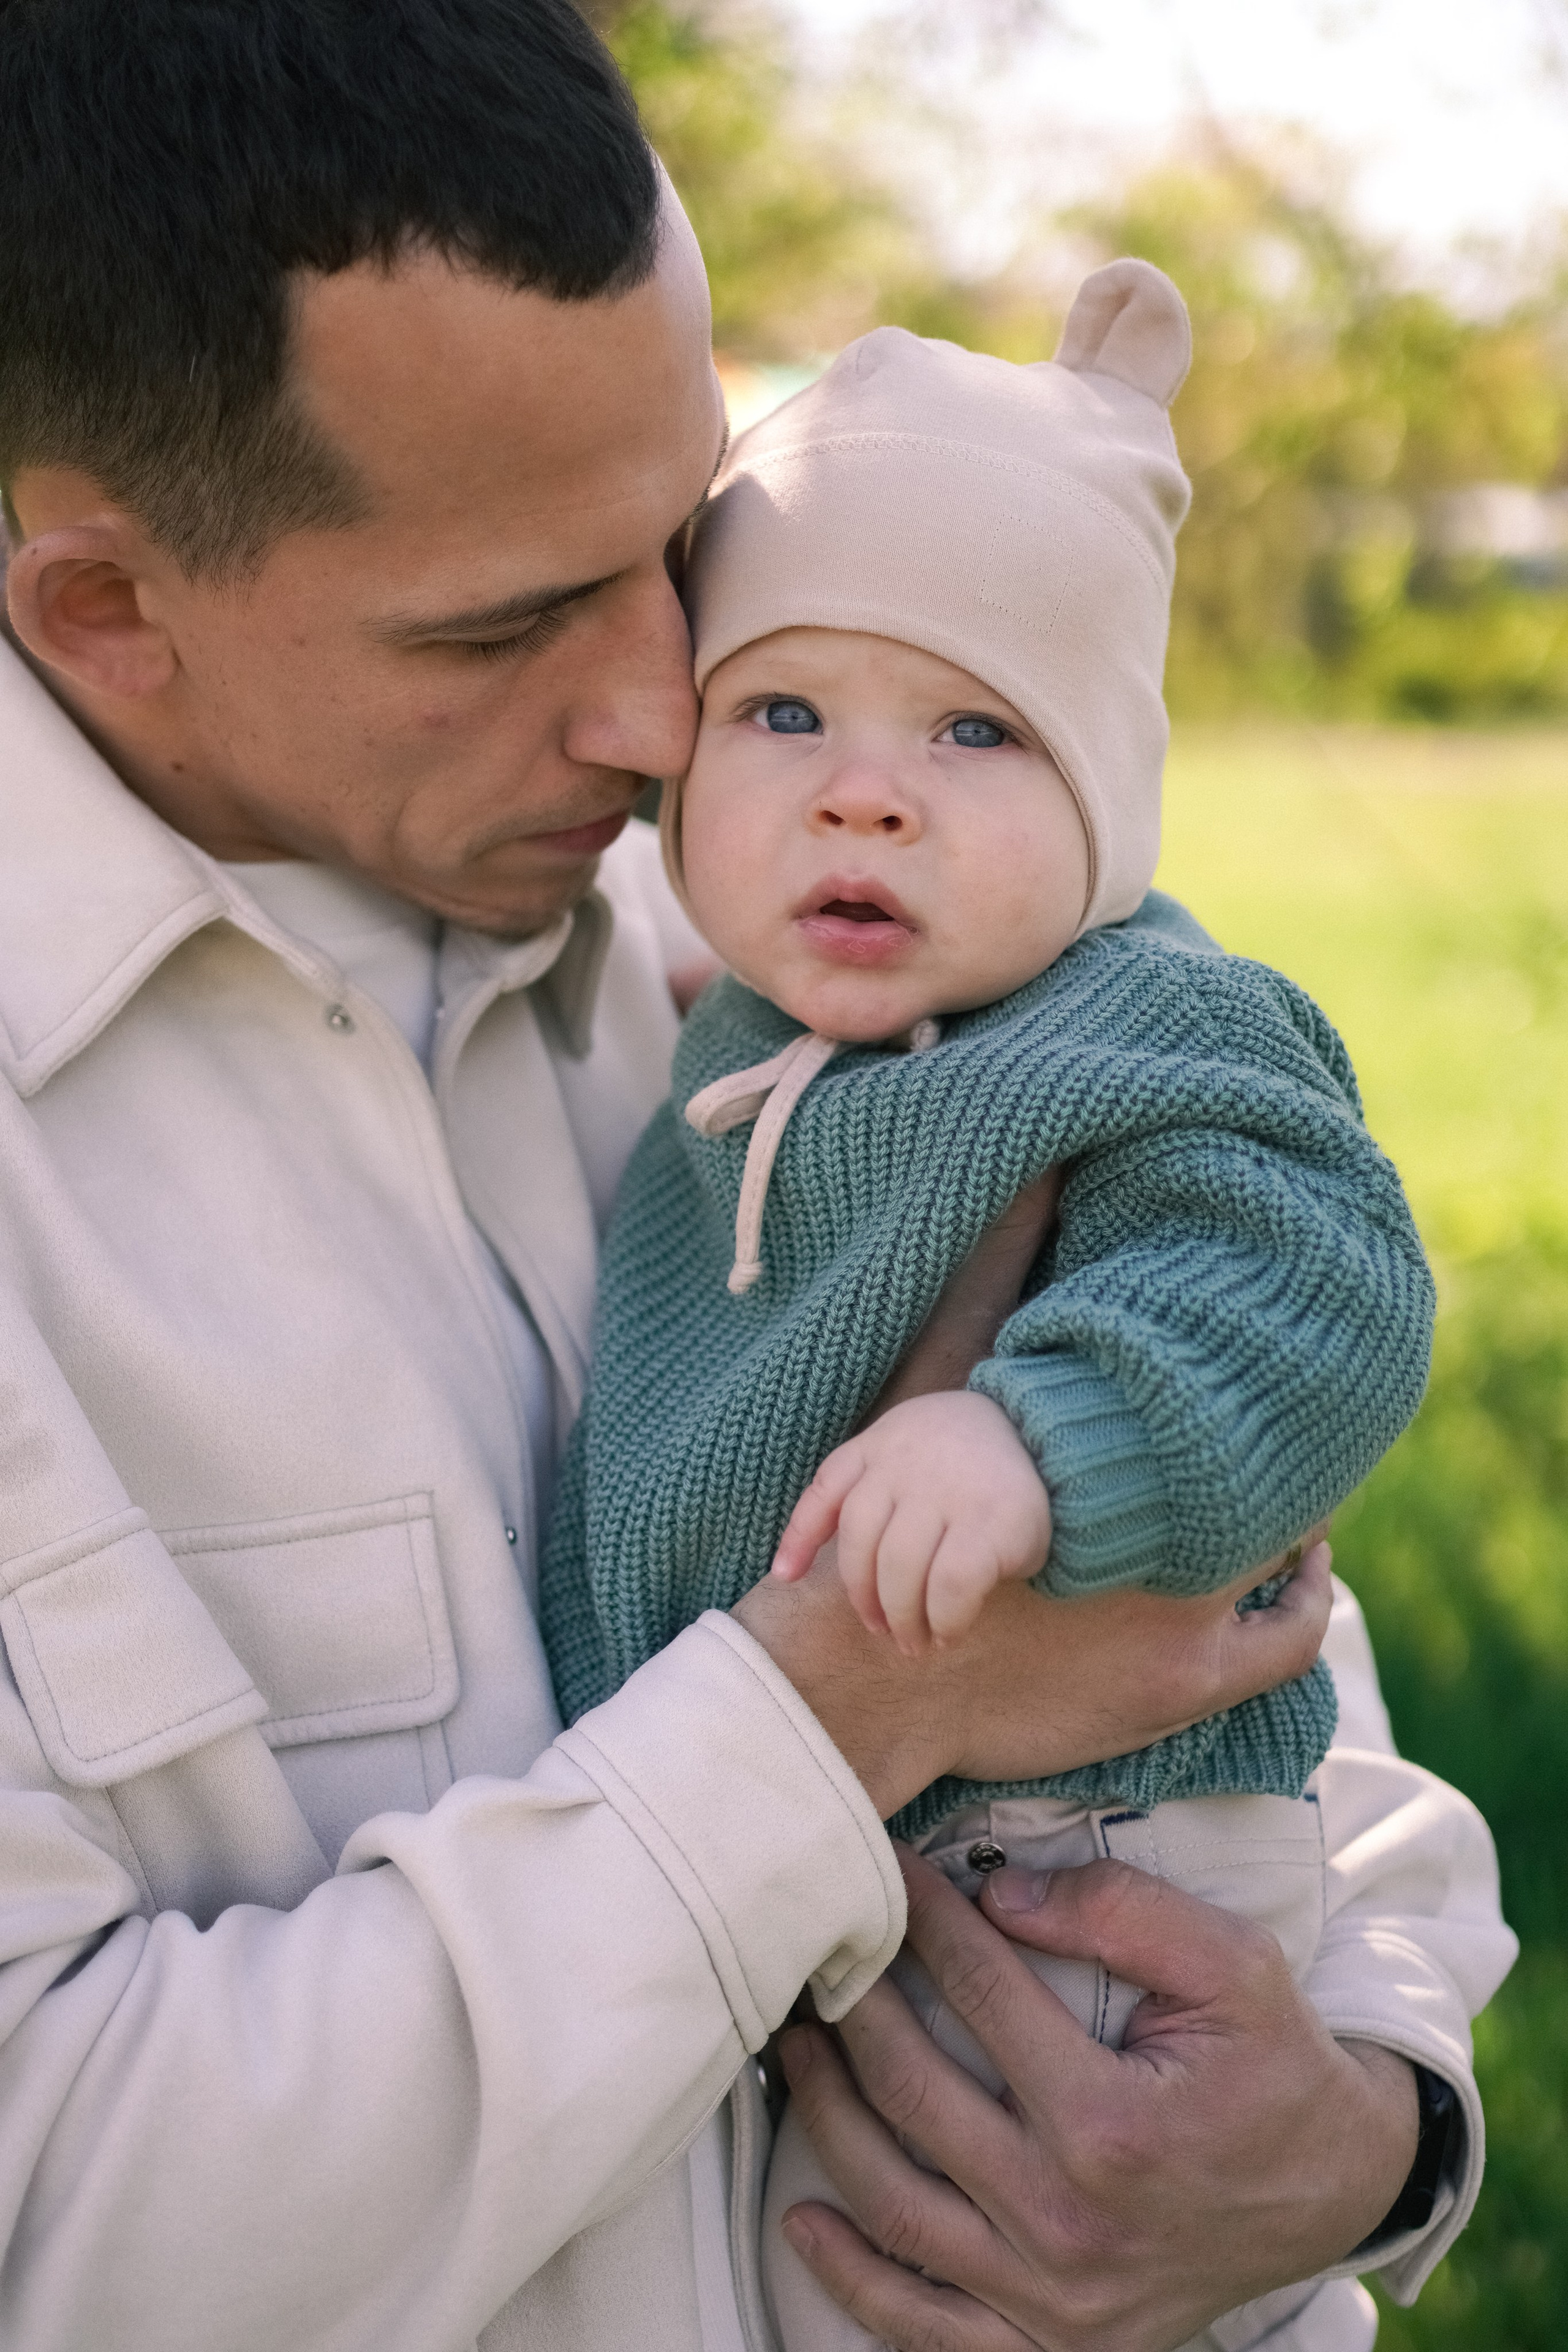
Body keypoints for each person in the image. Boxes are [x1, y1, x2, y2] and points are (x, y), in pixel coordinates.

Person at [0, 5, 1513, 2349]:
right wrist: (843, 1711)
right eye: (501, 622)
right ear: (106, 609)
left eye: (680, 547)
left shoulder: (798, 915)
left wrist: (1373, 2114)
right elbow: (61, 2223)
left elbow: (1236, 1554)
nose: (660, 711)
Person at [536, 260, 1477, 2352]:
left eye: (975, 731)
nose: (865, 794)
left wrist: (1037, 1436)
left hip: (1092, 1871)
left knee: (995, 2285)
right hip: (840, 1871)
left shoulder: (1151, 1025)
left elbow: (1319, 1289)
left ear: (1108, 814)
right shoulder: (750, 1036)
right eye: (787, 716)